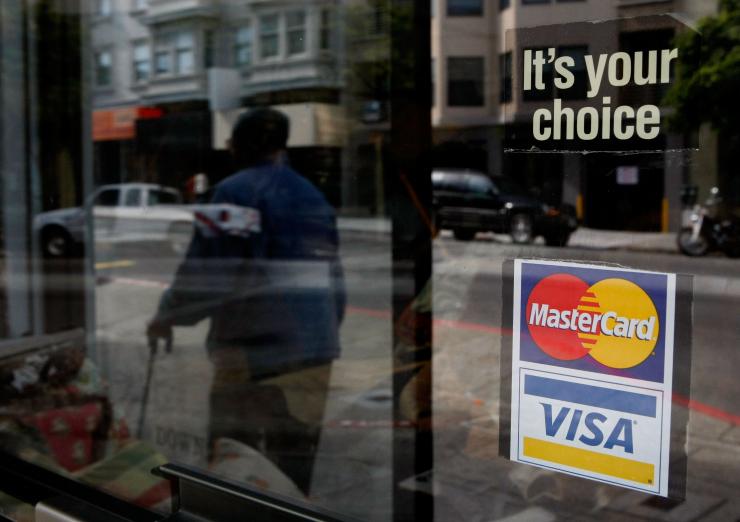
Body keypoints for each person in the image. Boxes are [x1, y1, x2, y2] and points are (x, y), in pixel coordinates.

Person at [146, 107, 345, 494]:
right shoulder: (313, 195)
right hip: (315, 351)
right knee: (294, 466)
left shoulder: (233, 193)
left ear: (243, 145)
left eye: (232, 141)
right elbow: (333, 280)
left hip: (255, 354)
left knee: (236, 463)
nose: (228, 148)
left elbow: (206, 274)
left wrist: (165, 316)